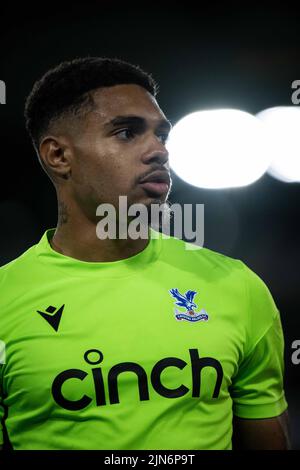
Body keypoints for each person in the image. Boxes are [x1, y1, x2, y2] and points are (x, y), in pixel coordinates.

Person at [0, 57, 290, 450]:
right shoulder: (6, 300)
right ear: (59, 156)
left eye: (161, 135)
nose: (159, 151)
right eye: (126, 133)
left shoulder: (236, 286)